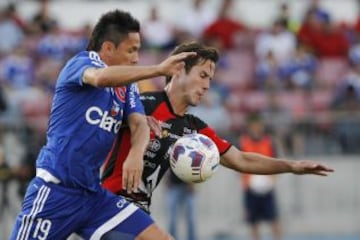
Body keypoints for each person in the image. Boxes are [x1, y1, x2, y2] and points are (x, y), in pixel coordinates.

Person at [9, 9, 196, 240]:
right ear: (108, 48)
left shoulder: (127, 87)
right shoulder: (82, 62)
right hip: (56, 192)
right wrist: (158, 69)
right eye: (131, 50)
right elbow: (99, 78)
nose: (136, 58)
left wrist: (136, 154)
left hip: (93, 197)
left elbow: (138, 124)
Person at [101, 41, 334, 218]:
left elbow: (242, 160)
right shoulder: (143, 104)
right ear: (179, 70)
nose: (206, 86)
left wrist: (292, 166)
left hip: (138, 212)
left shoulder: (194, 129)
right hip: (109, 204)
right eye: (202, 75)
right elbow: (98, 121)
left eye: (210, 79)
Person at [239, 113, 281, 240]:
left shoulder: (268, 142)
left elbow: (275, 162)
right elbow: (239, 164)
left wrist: (272, 180)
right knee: (253, 222)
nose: (257, 128)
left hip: (267, 187)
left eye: (259, 125)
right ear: (250, 127)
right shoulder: (243, 142)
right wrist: (245, 185)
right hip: (250, 188)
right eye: (255, 125)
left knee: (274, 219)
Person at [165, 170, 198, 240]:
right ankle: (171, 238)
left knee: (191, 217)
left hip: (188, 188)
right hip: (174, 186)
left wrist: (193, 183)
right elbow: (166, 166)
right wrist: (166, 180)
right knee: (172, 218)